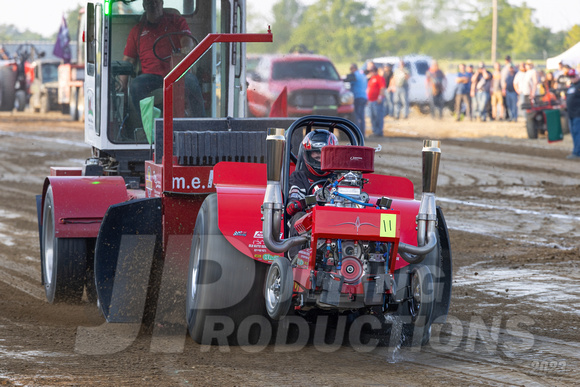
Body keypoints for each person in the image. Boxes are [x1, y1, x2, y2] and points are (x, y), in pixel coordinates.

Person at [121, 0, 205, 127]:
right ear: (144, 6)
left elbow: (187, 41)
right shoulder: (137, 31)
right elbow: (128, 60)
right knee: (136, 86)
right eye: (149, 2)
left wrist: (186, 50)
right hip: (151, 77)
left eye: (156, 1)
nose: (153, 4)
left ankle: (202, 127)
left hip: (177, 73)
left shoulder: (176, 21)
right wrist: (122, 86)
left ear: (162, 3)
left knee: (191, 82)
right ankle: (152, 129)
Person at [286, 130, 339, 217]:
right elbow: (294, 199)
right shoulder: (299, 177)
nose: (320, 160)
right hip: (308, 222)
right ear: (307, 154)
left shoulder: (339, 177)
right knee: (298, 216)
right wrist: (295, 204)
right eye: (317, 155)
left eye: (324, 155)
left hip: (335, 219)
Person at [346, 63, 367, 134]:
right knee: (362, 117)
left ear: (354, 68)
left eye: (351, 69)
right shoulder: (363, 75)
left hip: (357, 97)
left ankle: (358, 133)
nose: (350, 71)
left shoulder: (354, 75)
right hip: (364, 97)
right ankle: (363, 133)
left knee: (357, 116)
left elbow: (347, 81)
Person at [366, 64, 386, 137]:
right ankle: (375, 130)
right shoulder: (371, 79)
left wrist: (380, 97)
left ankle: (379, 131)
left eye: (372, 70)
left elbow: (382, 88)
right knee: (372, 116)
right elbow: (369, 90)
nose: (371, 72)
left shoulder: (379, 78)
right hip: (371, 100)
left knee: (378, 116)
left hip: (376, 100)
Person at [565, 77, 580, 160]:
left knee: (578, 134)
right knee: (574, 133)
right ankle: (576, 151)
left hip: (578, 114)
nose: (572, 78)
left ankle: (577, 153)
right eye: (571, 76)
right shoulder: (572, 86)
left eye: (574, 76)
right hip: (571, 114)